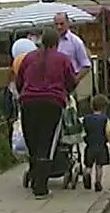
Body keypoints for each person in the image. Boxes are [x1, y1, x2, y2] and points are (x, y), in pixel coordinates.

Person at [16, 28, 77, 199]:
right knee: (47, 141)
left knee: (32, 141)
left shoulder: (28, 58)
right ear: (57, 43)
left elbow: (19, 80)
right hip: (52, 102)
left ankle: (35, 176)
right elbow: (71, 81)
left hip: (28, 102)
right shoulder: (62, 59)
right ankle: (40, 188)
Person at [81, 93, 110, 191]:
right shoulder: (105, 119)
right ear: (104, 108)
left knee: (88, 165)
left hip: (90, 146)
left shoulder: (86, 118)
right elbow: (108, 132)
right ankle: (98, 183)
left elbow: (83, 131)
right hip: (101, 146)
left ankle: (86, 175)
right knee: (99, 166)